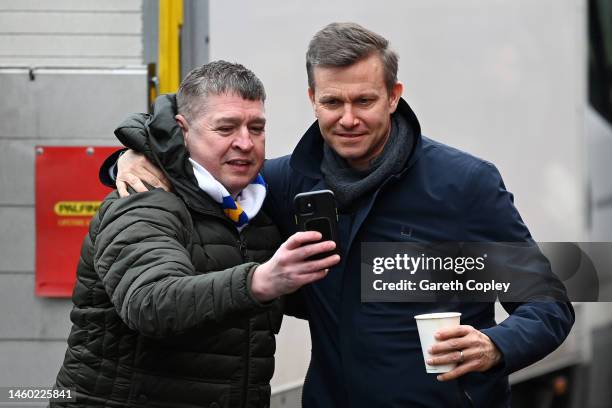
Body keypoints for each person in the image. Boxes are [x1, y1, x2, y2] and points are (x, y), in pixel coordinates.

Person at [104, 23, 574, 407]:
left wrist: (498, 345)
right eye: (332, 102)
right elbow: (201, 172)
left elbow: (547, 306)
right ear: (313, 99)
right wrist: (133, 154)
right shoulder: (283, 183)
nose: (348, 118)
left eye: (364, 101)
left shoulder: (462, 184)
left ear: (394, 95)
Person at [53, 61, 339, 408]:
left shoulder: (255, 208)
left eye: (257, 127)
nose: (246, 143)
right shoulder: (143, 199)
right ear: (183, 130)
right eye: (226, 128)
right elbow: (150, 302)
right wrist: (258, 281)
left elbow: (314, 299)